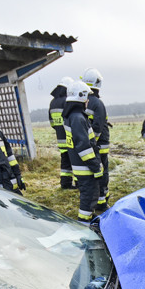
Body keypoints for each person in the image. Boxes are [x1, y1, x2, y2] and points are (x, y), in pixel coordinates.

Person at [64, 80, 103, 222]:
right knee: (89, 197)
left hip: (80, 166)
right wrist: (95, 166)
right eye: (87, 97)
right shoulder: (78, 118)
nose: (88, 101)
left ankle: (88, 218)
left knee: (88, 196)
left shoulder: (72, 116)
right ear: (81, 97)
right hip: (86, 167)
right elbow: (83, 147)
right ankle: (84, 223)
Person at [81, 68, 111, 210]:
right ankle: (102, 202)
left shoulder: (83, 101)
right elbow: (98, 127)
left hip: (88, 146)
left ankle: (97, 198)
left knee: (94, 172)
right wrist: (94, 143)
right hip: (100, 145)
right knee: (103, 172)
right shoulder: (98, 103)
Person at [49, 76, 76, 189]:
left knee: (65, 162)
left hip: (60, 138)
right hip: (70, 138)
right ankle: (78, 183)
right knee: (75, 161)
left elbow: (52, 122)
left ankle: (65, 183)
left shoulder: (53, 102)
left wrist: (59, 130)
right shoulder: (67, 101)